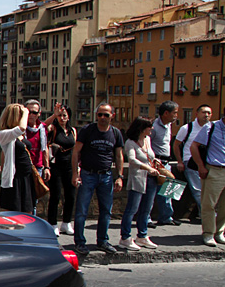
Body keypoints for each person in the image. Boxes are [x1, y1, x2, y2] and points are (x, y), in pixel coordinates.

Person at [71, 103, 125, 255]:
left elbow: (119, 155)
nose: (102, 118)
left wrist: (120, 176)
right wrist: (75, 174)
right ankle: (80, 242)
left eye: (105, 115)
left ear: (111, 116)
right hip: (88, 174)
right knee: (82, 210)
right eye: (99, 114)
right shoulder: (88, 130)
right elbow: (76, 152)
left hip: (106, 175)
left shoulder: (115, 133)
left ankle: (103, 241)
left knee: (106, 211)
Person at [119, 117, 162, 251]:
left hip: (151, 179)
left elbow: (149, 156)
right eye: (149, 127)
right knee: (132, 209)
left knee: (146, 209)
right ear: (142, 129)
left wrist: (155, 162)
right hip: (138, 179)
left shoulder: (147, 140)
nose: (152, 129)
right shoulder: (130, 142)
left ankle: (142, 236)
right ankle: (125, 238)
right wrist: (148, 168)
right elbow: (132, 159)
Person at [189, 105, 225, 247]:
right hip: (215, 170)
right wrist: (201, 166)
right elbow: (194, 146)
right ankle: (209, 233)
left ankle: (219, 233)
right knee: (209, 204)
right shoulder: (211, 127)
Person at [173, 104, 212, 221]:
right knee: (198, 190)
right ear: (197, 114)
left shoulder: (212, 128)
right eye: (204, 112)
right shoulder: (187, 128)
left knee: (208, 191)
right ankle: (206, 217)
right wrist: (180, 161)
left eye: (209, 113)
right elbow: (176, 145)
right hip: (189, 162)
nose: (206, 115)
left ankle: (203, 214)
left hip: (207, 162)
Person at [46, 103, 77, 234]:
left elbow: (76, 150)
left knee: (70, 195)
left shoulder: (73, 131)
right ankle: (52, 224)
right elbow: (43, 126)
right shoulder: (53, 128)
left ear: (69, 117)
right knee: (56, 195)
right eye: (60, 116)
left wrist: (77, 167)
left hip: (69, 166)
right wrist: (54, 114)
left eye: (64, 115)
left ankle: (66, 222)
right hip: (55, 166)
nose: (62, 118)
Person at [0, 104, 33, 213]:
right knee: (12, 215)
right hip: (14, 179)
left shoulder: (21, 136)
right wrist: (26, 111)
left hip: (26, 178)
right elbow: (21, 128)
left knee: (28, 213)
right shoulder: (3, 134)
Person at [149, 101, 180, 227]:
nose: (176, 115)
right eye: (175, 113)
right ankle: (147, 219)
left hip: (167, 162)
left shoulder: (169, 125)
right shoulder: (154, 127)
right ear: (166, 113)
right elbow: (148, 144)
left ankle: (166, 217)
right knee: (151, 192)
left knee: (168, 191)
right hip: (157, 162)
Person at [22, 99, 51, 214]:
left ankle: (32, 224)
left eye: (34, 112)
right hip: (23, 167)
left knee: (34, 200)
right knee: (22, 199)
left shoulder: (42, 129)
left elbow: (45, 149)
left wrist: (47, 167)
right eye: (29, 111)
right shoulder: (20, 129)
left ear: (39, 114)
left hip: (37, 168)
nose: (31, 115)